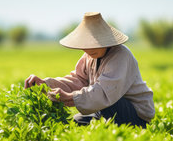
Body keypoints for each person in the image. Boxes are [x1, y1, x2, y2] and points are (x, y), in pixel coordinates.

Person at [24, 12, 155, 128]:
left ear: (106, 41)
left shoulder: (121, 55)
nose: (88, 49)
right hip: (104, 107)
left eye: (93, 44)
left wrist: (69, 98)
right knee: (77, 120)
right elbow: (78, 80)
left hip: (135, 114)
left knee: (109, 104)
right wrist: (46, 85)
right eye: (85, 44)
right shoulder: (89, 56)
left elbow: (104, 93)